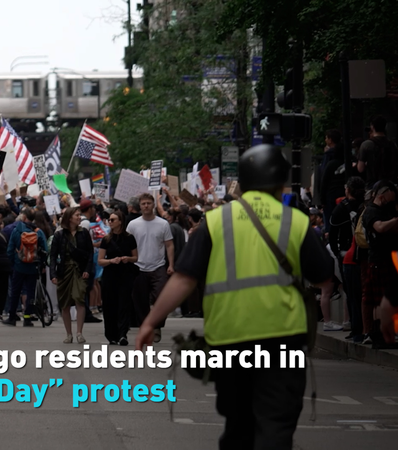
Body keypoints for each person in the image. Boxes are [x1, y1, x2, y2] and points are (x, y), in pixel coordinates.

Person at [136, 144, 333, 449]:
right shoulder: (295, 221)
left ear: (242, 182)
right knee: (276, 423)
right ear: (282, 183)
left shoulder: (215, 222)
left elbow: (184, 279)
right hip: (284, 337)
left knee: (238, 424)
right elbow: (323, 277)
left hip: (229, 338)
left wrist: (151, 321)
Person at [361, 180, 398, 342]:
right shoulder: (371, 212)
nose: (392, 201)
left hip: (388, 258)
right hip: (378, 259)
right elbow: (379, 227)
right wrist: (396, 221)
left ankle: (381, 332)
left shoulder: (385, 210)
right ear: (383, 194)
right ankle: (377, 332)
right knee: (378, 298)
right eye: (390, 196)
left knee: (382, 298)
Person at [127, 193, 174, 342]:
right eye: (143, 204)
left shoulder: (163, 224)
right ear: (139, 206)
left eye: (148, 203)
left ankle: (157, 325)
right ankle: (146, 327)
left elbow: (169, 245)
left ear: (153, 205)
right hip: (138, 267)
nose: (146, 206)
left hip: (158, 266)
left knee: (162, 298)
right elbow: (127, 245)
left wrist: (171, 264)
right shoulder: (133, 225)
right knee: (140, 301)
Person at [329, 177, 366, 342]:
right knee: (364, 294)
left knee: (352, 294)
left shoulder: (340, 209)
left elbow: (333, 234)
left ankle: (356, 327)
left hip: (347, 254)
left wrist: (337, 252)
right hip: (365, 253)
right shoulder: (366, 206)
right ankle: (365, 328)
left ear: (348, 190)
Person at [49, 207, 93, 344]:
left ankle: (79, 332)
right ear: (69, 218)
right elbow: (53, 255)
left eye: (79, 215)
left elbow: (89, 253)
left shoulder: (84, 233)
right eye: (77, 215)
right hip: (64, 270)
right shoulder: (59, 235)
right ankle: (69, 334)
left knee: (79, 299)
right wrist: (53, 274)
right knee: (65, 303)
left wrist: (87, 269)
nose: (79, 217)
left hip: (79, 270)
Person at [98, 210, 137, 345]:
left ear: (120, 221)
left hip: (125, 274)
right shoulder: (106, 239)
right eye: (109, 219)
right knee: (110, 305)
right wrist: (111, 261)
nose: (110, 222)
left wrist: (128, 258)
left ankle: (122, 334)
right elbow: (100, 260)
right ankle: (111, 334)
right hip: (110, 275)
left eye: (113, 220)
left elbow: (135, 257)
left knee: (124, 304)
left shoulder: (130, 238)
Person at [3, 207, 48, 327]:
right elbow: (45, 250)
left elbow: (10, 249)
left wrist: (14, 262)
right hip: (33, 266)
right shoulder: (38, 232)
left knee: (15, 291)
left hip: (19, 266)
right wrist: (41, 263)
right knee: (30, 292)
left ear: (24, 217)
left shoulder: (17, 230)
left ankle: (12, 316)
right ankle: (27, 318)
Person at [357, 115, 398, 189]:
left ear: (372, 127)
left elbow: (360, 169)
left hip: (373, 184)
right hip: (390, 184)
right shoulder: (393, 144)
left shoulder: (366, 144)